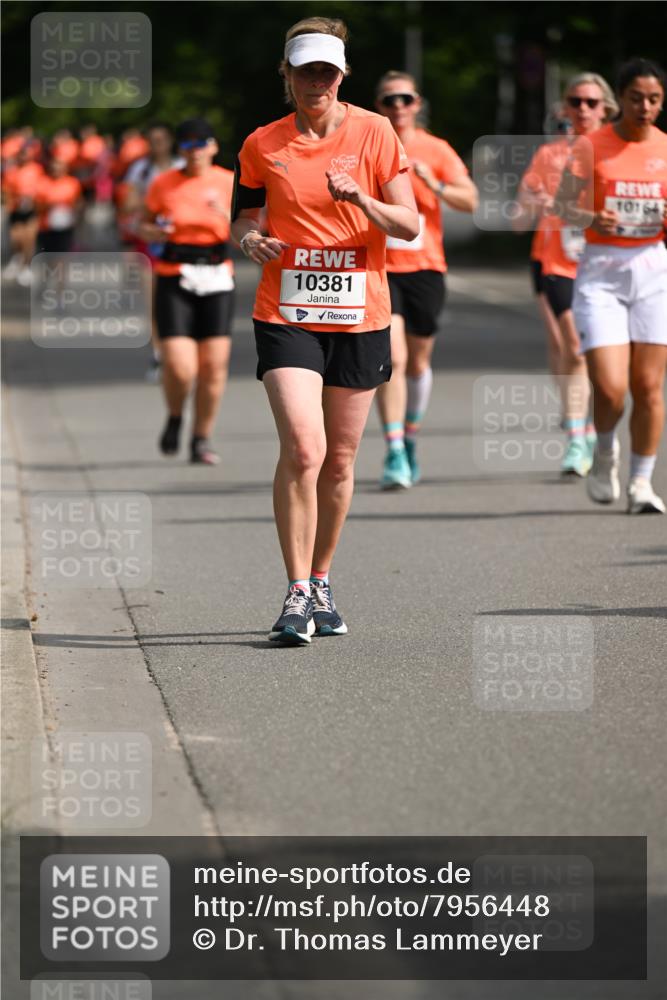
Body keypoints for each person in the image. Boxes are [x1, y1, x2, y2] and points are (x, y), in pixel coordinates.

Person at [231, 17, 418, 645]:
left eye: (327, 71)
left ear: (342, 75)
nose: (317, 81)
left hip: (360, 314)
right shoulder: (262, 142)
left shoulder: (376, 132)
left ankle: (321, 579)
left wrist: (361, 198)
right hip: (286, 311)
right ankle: (295, 593)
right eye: (305, 71)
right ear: (286, 75)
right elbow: (244, 217)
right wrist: (251, 240)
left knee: (339, 461)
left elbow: (410, 224)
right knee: (304, 449)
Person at [557, 58, 667, 513]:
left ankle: (641, 483)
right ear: (619, 98)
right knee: (610, 388)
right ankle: (605, 453)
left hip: (653, 270)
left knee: (649, 387)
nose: (645, 107)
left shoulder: (665, 148)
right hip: (602, 271)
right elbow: (563, 205)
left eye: (654, 99)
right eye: (636, 98)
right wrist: (590, 217)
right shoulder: (592, 145)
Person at [374, 71, 478, 488]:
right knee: (393, 359)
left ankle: (410, 435)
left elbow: (470, 200)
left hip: (425, 267)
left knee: (417, 362)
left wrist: (434, 185)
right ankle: (394, 449)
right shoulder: (368, 144)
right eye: (389, 100)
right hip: (379, 268)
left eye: (405, 98)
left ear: (417, 103)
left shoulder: (436, 149)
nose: (398, 106)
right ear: (379, 106)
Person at [515, 73, 617, 477]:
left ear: (606, 108)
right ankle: (578, 434)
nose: (583, 110)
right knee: (570, 345)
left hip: (607, 262)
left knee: (590, 351)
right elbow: (518, 220)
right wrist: (533, 204)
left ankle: (589, 420)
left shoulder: (618, 152)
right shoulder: (550, 155)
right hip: (557, 262)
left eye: (591, 103)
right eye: (576, 102)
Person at [141, 118, 235, 466]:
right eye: (187, 145)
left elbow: (253, 227)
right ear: (179, 148)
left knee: (213, 366)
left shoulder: (229, 182)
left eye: (201, 143)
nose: (195, 151)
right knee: (181, 368)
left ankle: (201, 438)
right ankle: (176, 415)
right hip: (175, 275)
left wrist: (227, 216)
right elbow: (142, 223)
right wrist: (153, 232)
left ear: (213, 146)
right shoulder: (163, 183)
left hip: (217, 275)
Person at [123, 123, 184, 382]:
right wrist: (153, 200)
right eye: (153, 140)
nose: (157, 144)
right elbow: (128, 204)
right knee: (154, 300)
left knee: (181, 299)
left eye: (162, 139)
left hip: (180, 239)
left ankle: (180, 353)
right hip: (149, 241)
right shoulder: (140, 169)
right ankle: (158, 354)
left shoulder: (182, 165)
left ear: (170, 141)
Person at [2, 140, 44, 285]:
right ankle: (16, 260)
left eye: (27, 154)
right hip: (16, 208)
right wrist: (10, 202)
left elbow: (41, 186)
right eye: (22, 154)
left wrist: (35, 200)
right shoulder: (11, 171)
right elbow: (6, 190)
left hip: (32, 208)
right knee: (16, 238)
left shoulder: (36, 169)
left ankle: (26, 266)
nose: (24, 157)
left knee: (29, 239)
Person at [35, 157, 83, 255]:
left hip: (65, 226)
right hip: (46, 228)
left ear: (65, 169)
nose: (56, 171)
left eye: (59, 169)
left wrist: (75, 211)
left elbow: (79, 202)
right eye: (54, 169)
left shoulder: (72, 183)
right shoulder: (42, 183)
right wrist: (49, 206)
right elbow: (36, 206)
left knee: (63, 254)